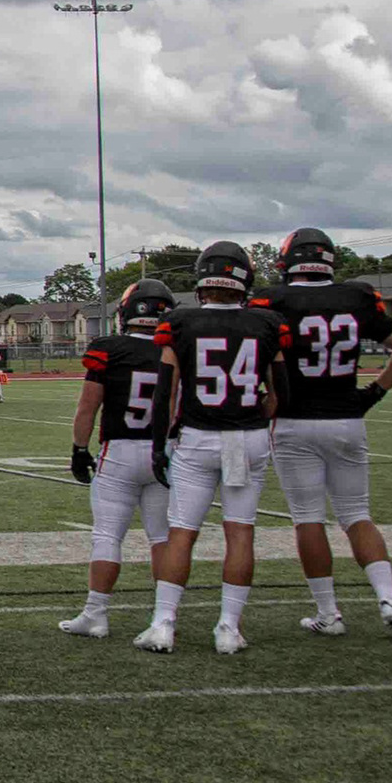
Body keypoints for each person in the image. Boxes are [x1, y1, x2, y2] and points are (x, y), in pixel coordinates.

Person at [256, 228, 392, 637]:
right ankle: (390, 601)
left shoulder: (271, 301)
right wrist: (373, 393)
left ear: (286, 262)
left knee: (308, 519)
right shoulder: (355, 297)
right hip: (347, 419)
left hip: (294, 422)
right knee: (357, 514)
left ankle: (328, 614)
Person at [134, 241, 292, 655]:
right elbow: (281, 394)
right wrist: (256, 416)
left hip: (199, 437)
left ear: (202, 279)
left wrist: (159, 445)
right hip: (247, 437)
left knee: (182, 532)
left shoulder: (181, 322)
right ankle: (227, 628)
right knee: (239, 531)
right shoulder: (266, 323)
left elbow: (165, 394)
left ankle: (163, 624)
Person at [59, 279, 175, 638]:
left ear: (126, 313)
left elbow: (88, 407)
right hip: (164, 453)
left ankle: (96, 614)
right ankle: (164, 617)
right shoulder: (177, 349)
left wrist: (79, 449)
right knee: (162, 538)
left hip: (120, 452)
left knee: (107, 535)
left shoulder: (110, 349)